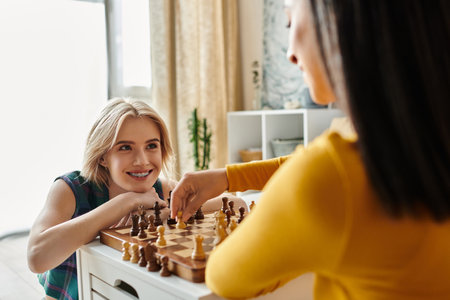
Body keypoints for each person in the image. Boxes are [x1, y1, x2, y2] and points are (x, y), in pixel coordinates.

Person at [170, 0, 450, 299]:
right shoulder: (416, 149)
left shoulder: (328, 177)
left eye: (291, 22)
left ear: (337, 21)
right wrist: (228, 177)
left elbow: (223, 277)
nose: (290, 54)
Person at [27, 98, 246, 300]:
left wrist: (166, 212)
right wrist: (124, 203)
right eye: (125, 147)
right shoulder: (71, 189)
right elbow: (36, 257)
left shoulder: (163, 189)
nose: (142, 161)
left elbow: (237, 204)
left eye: (151, 145)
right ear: (102, 156)